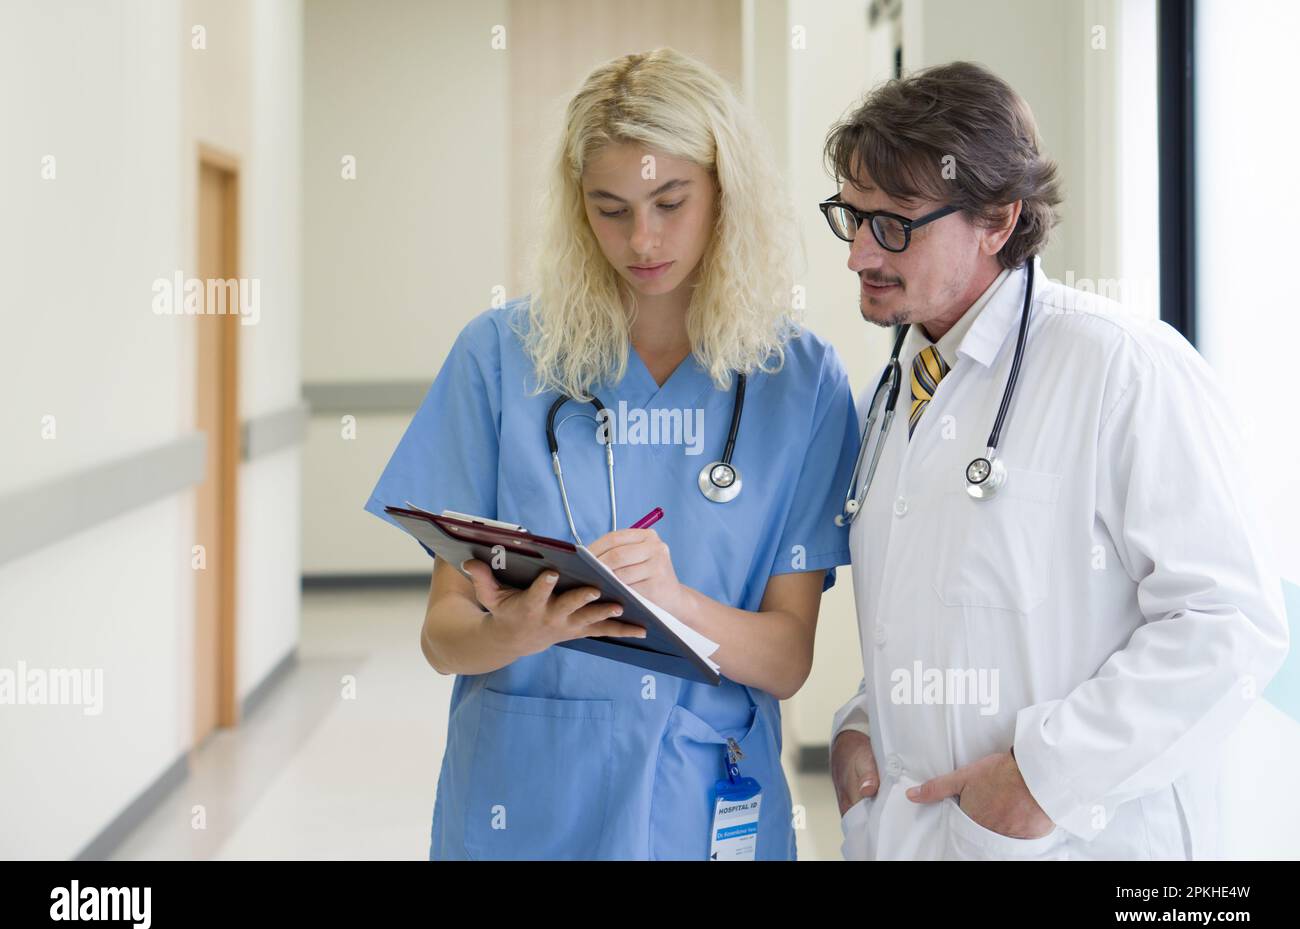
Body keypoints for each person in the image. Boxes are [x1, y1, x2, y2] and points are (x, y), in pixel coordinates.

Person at [364, 48, 859, 860]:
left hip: (703, 793)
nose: (643, 239)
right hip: (526, 795)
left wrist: (675, 601)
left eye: (670, 201)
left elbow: (786, 658)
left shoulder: (796, 379)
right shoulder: (500, 356)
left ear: (724, 192)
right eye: (610, 209)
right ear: (577, 209)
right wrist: (518, 630)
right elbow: (443, 634)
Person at [822, 61, 1288, 860]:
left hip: (1076, 840)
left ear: (998, 219)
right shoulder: (895, 389)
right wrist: (861, 727)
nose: (861, 255)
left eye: (896, 222)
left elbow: (1228, 623)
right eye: (852, 216)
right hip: (910, 831)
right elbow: (942, 609)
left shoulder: (1122, 366)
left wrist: (1040, 780)